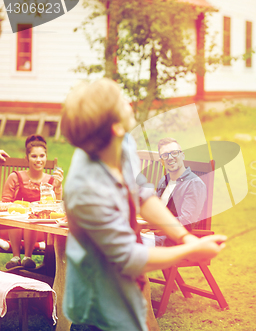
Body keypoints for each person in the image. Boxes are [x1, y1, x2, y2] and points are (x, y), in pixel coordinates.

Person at [61, 78, 226, 331]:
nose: (128, 103)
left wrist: (184, 237)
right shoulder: (86, 190)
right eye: (121, 102)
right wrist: (190, 252)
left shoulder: (122, 142)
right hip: (97, 306)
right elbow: (129, 259)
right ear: (114, 126)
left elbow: (141, 194)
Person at [2, 135, 64, 269]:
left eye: (42, 156)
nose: (39, 160)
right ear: (27, 158)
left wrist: (58, 187)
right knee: (20, 219)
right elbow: (5, 202)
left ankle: (28, 258)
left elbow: (57, 208)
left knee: (32, 219)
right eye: (34, 156)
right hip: (13, 228)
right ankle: (16, 257)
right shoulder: (15, 177)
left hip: (39, 230)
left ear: (46, 157)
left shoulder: (51, 181)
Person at [155, 137, 207, 247]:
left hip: (174, 239)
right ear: (161, 161)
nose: (170, 158)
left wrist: (157, 225)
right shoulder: (163, 181)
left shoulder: (194, 184)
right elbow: (156, 209)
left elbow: (187, 221)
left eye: (174, 153)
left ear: (182, 155)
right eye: (165, 155)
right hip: (157, 233)